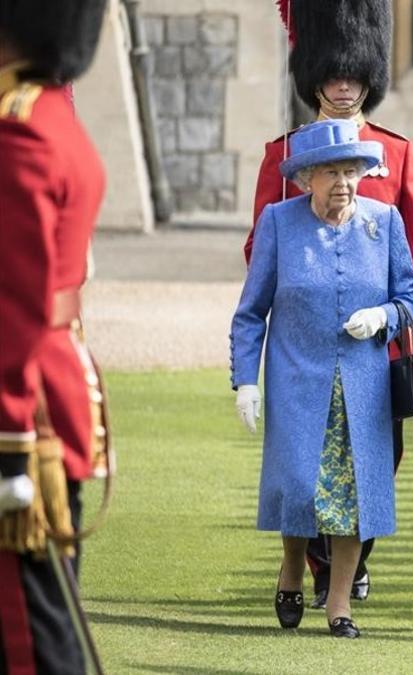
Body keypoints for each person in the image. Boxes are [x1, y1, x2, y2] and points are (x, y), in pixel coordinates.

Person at [245, 0, 413, 608]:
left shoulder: (396, 150)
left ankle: (351, 559)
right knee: (302, 456)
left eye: (354, 77)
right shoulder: (283, 152)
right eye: (334, 77)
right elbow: (262, 243)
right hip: (305, 338)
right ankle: (317, 563)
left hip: (380, 337)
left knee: (374, 457)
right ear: (315, 77)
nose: (343, 87)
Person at [230, 118, 413, 639]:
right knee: (299, 488)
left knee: (354, 495)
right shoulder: (278, 222)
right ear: (306, 178)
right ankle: (292, 569)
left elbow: (411, 298)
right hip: (296, 378)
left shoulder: (385, 221)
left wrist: (384, 316)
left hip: (363, 385)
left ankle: (340, 604)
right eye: (331, 171)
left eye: (352, 171)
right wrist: (245, 380)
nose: (343, 181)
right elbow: (252, 312)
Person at [0, 0, 109, 671]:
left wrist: (8, 442)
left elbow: (15, 306)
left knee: (32, 636)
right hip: (52, 397)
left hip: (22, 413)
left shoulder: (22, 134)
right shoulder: (52, 119)